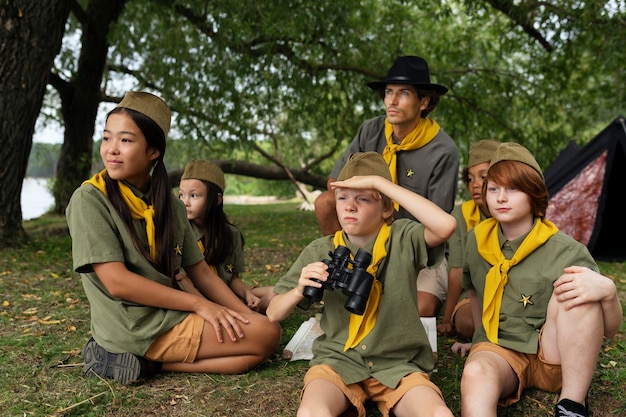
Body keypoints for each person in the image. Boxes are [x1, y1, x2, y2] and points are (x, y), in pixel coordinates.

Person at [65, 91, 281, 385]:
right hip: (133, 323)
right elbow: (117, 283)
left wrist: (245, 315)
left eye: (125, 140)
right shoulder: (90, 199)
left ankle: (148, 366)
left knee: (258, 343)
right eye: (106, 138)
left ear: (153, 151)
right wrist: (198, 305)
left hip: (169, 311)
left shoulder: (171, 206)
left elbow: (201, 271)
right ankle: (133, 356)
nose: (111, 150)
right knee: (267, 336)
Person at [267, 152, 457, 417]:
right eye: (342, 198)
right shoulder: (321, 249)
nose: (349, 207)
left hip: (398, 363)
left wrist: (381, 185)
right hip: (337, 361)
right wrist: (299, 289)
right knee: (311, 412)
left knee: (438, 413)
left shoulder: (403, 238)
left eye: (363, 199)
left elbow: (446, 225)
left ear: (387, 208)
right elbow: (273, 313)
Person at [453, 142, 622, 417]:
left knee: (574, 288)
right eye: (493, 188)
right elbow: (475, 292)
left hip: (553, 354)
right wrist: (478, 339)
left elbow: (611, 329)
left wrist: (608, 292)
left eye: (513, 189)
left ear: (534, 193)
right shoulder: (476, 240)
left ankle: (571, 405)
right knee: (475, 373)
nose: (501, 198)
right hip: (500, 352)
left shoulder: (566, 250)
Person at [313, 55, 459, 318]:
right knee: (324, 202)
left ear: (424, 101)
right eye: (389, 92)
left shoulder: (443, 150)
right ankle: (345, 268)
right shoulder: (370, 130)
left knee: (421, 308)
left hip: (413, 244)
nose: (391, 101)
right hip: (367, 233)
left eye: (403, 93)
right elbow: (336, 183)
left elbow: (436, 220)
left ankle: (388, 283)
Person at [177, 159, 275, 313]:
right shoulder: (179, 232)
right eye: (181, 195)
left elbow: (234, 279)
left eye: (194, 196)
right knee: (246, 310)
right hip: (196, 298)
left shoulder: (230, 234)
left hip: (228, 294)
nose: (185, 202)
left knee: (275, 294)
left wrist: (247, 294)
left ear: (216, 199)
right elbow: (182, 282)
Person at [437, 139, 500, 340]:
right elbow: (456, 269)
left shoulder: (514, 211)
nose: (476, 185)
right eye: (471, 179)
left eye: (483, 177)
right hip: (473, 291)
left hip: (513, 290)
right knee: (467, 325)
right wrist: (447, 320)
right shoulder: (461, 215)